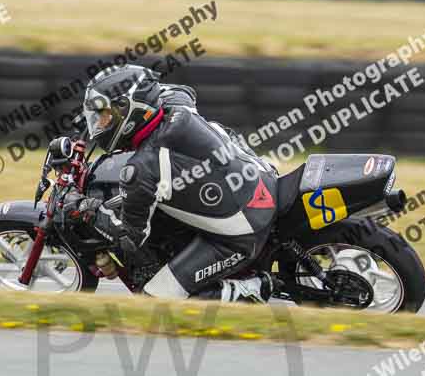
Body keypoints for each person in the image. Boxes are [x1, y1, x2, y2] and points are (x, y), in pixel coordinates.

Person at [74, 64, 279, 302]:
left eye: (105, 116)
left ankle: (253, 289)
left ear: (129, 112)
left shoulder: (143, 168)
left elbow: (131, 238)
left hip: (244, 231)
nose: (99, 125)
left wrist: (91, 212)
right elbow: (181, 90)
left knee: (156, 298)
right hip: (259, 177)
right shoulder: (176, 102)